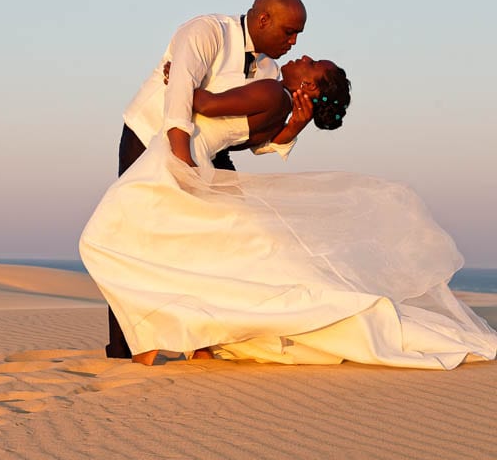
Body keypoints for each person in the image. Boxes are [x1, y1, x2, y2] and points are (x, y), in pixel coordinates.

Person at [80, 59, 497, 369]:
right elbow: (243, 138)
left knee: (103, 241)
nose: (301, 57)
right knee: (171, 252)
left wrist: (176, 74)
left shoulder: (270, 93)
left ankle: (155, 343)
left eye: (311, 66)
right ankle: (169, 340)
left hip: (177, 162)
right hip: (187, 161)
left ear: (310, 87)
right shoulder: (274, 96)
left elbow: (201, 103)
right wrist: (292, 127)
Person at [107, 0, 311, 359]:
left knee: (215, 241)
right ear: (263, 19)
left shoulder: (269, 69)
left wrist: (293, 127)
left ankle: (202, 339)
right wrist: (184, 167)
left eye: (298, 34)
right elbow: (179, 98)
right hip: (150, 135)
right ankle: (126, 350)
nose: (294, 42)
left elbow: (248, 138)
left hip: (207, 152)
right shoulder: (206, 32)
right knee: (138, 240)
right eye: (289, 32)